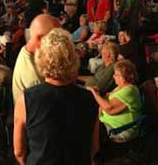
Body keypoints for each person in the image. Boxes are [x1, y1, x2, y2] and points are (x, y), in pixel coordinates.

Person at [14, 28, 99, 165]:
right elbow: (94, 148)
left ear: (40, 59)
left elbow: (19, 151)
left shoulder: (26, 99)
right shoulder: (89, 98)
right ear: (72, 59)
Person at [87, 59, 142, 143]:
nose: (113, 76)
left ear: (124, 77)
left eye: (116, 75)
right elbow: (104, 103)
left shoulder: (130, 90)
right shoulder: (119, 88)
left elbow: (109, 109)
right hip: (107, 123)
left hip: (120, 130)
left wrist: (94, 92)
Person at [12, 13, 60, 102]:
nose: (57, 43)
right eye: (54, 38)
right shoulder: (34, 77)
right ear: (39, 39)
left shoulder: (27, 51)